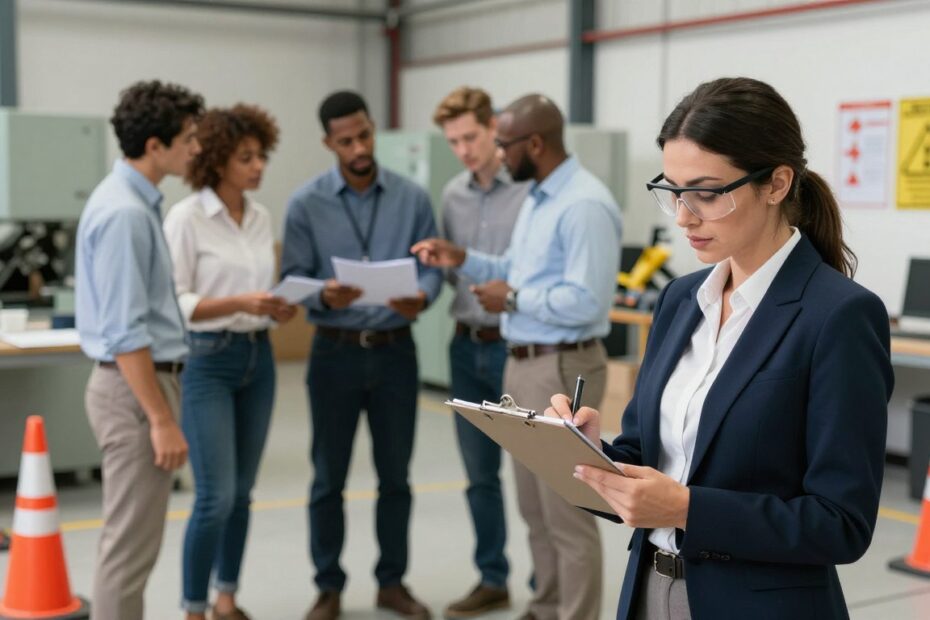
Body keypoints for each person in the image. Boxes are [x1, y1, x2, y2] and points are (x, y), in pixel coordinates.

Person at [547, 77, 895, 620]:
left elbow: (840, 524)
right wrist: (592, 457)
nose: (685, 216)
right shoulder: (681, 299)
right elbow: (647, 455)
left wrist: (687, 508)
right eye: (673, 192)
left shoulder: (838, 316)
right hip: (647, 592)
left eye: (707, 194)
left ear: (777, 183)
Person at [412, 94, 622, 620]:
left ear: (534, 143)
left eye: (503, 144)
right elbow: (515, 266)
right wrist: (466, 259)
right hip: (524, 361)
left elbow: (589, 300)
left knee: (566, 510)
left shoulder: (584, 204)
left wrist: (512, 299)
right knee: (534, 505)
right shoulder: (538, 197)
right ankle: (546, 605)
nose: (498, 154)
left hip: (561, 364)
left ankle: (574, 613)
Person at [281, 90, 442, 620]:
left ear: (373, 130)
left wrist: (423, 293)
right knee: (329, 477)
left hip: (396, 353)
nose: (358, 148)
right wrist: (323, 293)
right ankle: (328, 586)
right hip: (335, 355)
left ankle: (391, 583)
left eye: (365, 135)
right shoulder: (306, 204)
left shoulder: (412, 198)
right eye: (346, 141)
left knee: (395, 477)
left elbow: (432, 266)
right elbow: (293, 279)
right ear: (329, 142)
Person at [75, 80, 204, 620]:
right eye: (189, 138)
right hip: (135, 393)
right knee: (128, 553)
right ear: (155, 146)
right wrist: (160, 419)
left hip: (140, 386)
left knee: (133, 547)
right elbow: (127, 333)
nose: (197, 148)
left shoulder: (135, 202)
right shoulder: (126, 213)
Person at [163, 104, 296, 620]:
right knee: (214, 497)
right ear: (217, 161)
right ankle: (193, 608)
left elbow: (259, 292)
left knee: (242, 494)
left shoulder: (261, 217)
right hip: (206, 361)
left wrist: (273, 307)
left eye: (262, 155)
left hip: (257, 358)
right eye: (246, 157)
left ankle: (226, 598)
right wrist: (240, 303)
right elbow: (175, 301)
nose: (259, 165)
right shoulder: (186, 218)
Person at [431, 86, 528, 618]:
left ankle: (548, 584)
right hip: (465, 349)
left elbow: (529, 271)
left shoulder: (529, 190)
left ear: (494, 127)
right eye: (453, 141)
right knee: (479, 476)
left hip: (519, 348)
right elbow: (454, 273)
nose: (464, 148)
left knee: (539, 475)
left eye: (470, 136)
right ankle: (493, 577)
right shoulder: (452, 195)